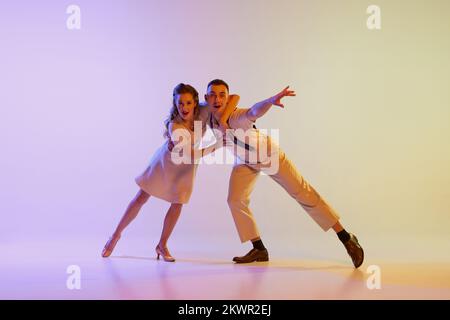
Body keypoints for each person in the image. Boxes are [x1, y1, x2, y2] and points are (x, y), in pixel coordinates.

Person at [204, 79, 364, 268]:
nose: (217, 99)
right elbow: (184, 106)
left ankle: (346, 238)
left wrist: (270, 101)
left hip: (270, 156)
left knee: (303, 193)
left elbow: (254, 111)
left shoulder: (237, 116)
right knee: (235, 199)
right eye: (212, 95)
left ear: (228, 98)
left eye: (222, 95)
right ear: (206, 98)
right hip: (246, 162)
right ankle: (259, 248)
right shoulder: (206, 113)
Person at [101, 83, 238, 262]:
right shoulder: (175, 126)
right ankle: (115, 235)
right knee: (141, 197)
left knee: (177, 203)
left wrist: (222, 121)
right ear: (175, 104)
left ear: (196, 103)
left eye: (188, 103)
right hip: (166, 163)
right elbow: (191, 154)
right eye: (180, 103)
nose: (184, 108)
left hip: (187, 167)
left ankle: (162, 245)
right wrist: (219, 143)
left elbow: (234, 98)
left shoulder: (203, 111)